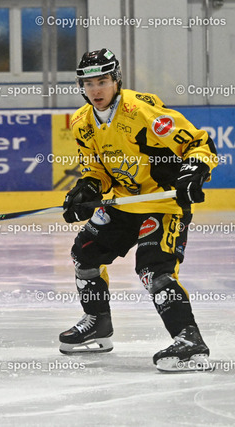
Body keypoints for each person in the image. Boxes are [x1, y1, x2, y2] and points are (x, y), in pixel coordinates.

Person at [59, 48, 218, 371]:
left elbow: (199, 144)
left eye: (103, 81)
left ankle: (189, 341)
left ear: (116, 80)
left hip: (163, 204)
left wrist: (194, 170)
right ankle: (98, 323)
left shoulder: (141, 111)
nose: (96, 90)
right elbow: (96, 169)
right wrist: (87, 189)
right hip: (124, 203)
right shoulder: (81, 122)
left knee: (153, 268)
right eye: (89, 84)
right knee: (85, 254)